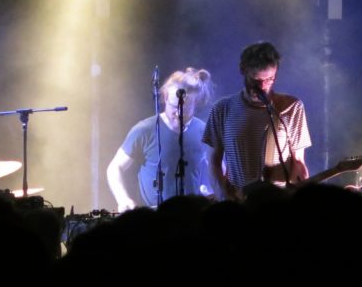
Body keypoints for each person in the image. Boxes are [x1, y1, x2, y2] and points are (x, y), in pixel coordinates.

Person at [203, 41, 311, 201]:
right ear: (243, 70)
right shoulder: (222, 109)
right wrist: (224, 197)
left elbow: (298, 162)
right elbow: (213, 162)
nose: (262, 86)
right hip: (238, 203)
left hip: (277, 201)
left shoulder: (291, 107)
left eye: (269, 79)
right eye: (256, 80)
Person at [106, 67, 214, 211]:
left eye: (186, 108)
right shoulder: (144, 130)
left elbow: (220, 168)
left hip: (191, 215)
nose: (179, 113)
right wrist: (123, 199)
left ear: (196, 103)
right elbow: (115, 167)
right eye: (174, 106)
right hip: (153, 217)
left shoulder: (204, 130)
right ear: (165, 97)